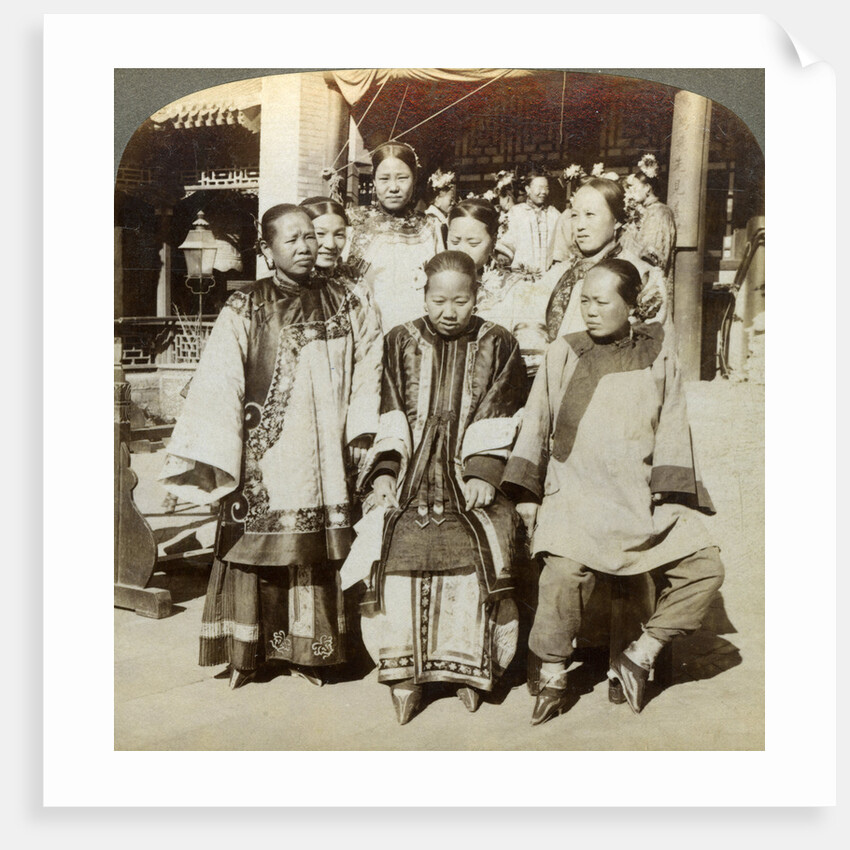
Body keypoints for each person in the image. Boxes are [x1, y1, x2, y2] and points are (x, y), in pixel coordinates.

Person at [158, 204, 382, 690]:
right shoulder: (246, 306)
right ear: (266, 249)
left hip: (326, 452)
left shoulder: (349, 300)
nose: (307, 247)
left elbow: (370, 367)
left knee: (316, 549)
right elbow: (219, 381)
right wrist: (219, 454)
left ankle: (313, 654)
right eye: (292, 240)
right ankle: (250, 654)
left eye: (311, 237)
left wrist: (362, 430)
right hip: (267, 455)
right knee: (258, 548)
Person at [502, 258, 724, 725]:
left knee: (706, 566)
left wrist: (669, 495)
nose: (590, 310)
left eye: (602, 302)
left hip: (639, 497)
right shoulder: (565, 351)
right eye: (584, 300)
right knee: (563, 575)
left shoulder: (658, 351)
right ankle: (554, 672)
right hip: (576, 494)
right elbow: (537, 419)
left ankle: (641, 654)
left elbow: (672, 425)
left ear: (632, 305)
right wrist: (528, 492)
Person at [356, 250, 528, 725]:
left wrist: (482, 472)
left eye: (460, 301)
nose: (448, 312)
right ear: (424, 295)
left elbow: (503, 411)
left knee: (479, 550)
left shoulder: (499, 343)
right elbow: (388, 410)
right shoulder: (400, 340)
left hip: (468, 474)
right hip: (412, 470)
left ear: (478, 296)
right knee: (393, 543)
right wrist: (386, 472)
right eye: (438, 300)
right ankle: (405, 674)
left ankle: (469, 670)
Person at [542, 176, 667, 340]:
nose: (580, 226)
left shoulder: (643, 275)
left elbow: (654, 345)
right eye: (574, 215)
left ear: (617, 220)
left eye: (590, 214)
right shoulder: (559, 272)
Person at [446, 198, 551, 379]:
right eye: (454, 241)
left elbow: (530, 365)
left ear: (493, 240)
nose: (462, 250)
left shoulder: (518, 290)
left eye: (473, 243)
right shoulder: (433, 283)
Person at [345, 141, 444, 332]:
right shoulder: (353, 222)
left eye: (402, 178)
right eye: (384, 179)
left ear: (414, 180)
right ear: (374, 181)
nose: (393, 187)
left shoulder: (429, 226)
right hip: (369, 330)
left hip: (420, 329)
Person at [621, 154, 677, 303]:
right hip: (634, 278)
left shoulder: (661, 212)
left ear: (647, 188)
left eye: (634, 187)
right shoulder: (641, 212)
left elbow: (654, 254)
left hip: (650, 280)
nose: (631, 192)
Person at [497, 168, 560, 275]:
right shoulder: (517, 212)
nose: (543, 192)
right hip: (522, 276)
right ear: (528, 189)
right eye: (539, 188)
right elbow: (508, 242)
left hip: (549, 277)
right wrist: (503, 259)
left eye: (546, 188)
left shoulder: (554, 214)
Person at [423, 168, 456, 246]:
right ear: (437, 200)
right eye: (450, 199)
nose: (453, 203)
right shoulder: (431, 220)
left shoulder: (443, 219)